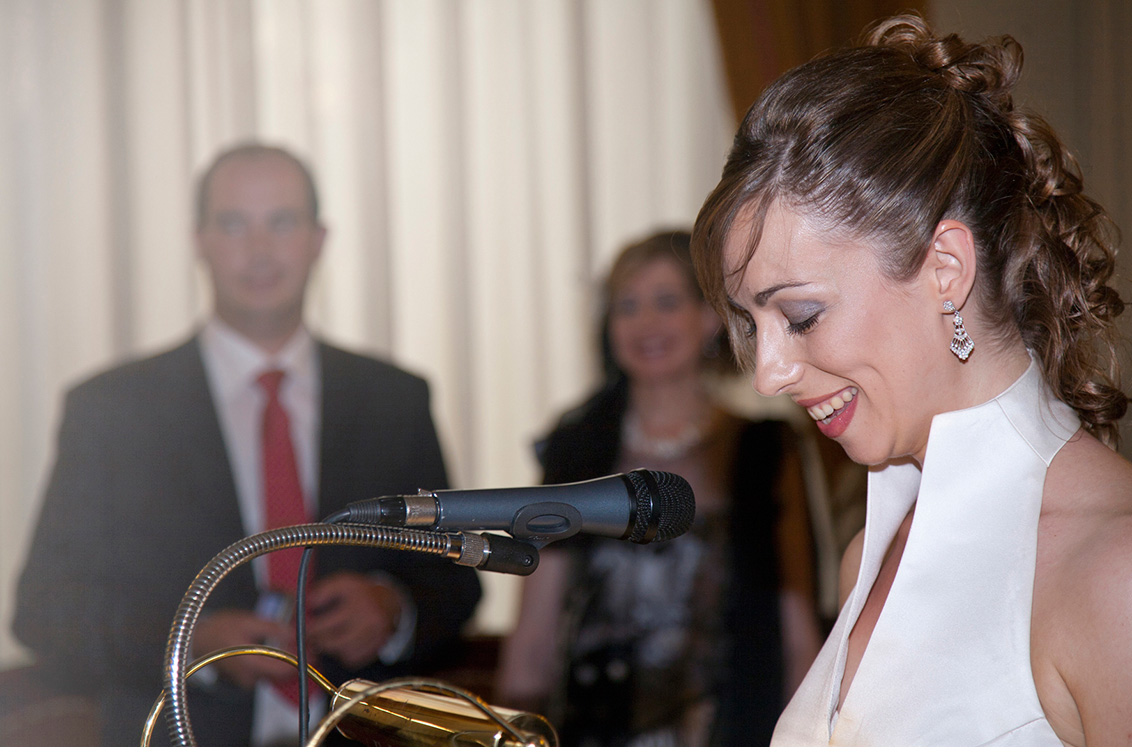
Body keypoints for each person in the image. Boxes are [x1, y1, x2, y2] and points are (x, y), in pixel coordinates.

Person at [691, 13, 1132, 746]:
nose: (769, 374)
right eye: (750, 325)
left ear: (946, 271)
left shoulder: (1112, 573)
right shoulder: (867, 555)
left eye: (800, 315)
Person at [13, 142, 482, 746]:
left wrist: (394, 611)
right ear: (199, 240)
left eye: (281, 222)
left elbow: (457, 581)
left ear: (319, 239)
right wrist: (193, 641)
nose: (259, 250)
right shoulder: (113, 411)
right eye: (234, 224)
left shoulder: (394, 398)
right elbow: (47, 610)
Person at [495, 230, 823, 746]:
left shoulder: (764, 449)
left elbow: (797, 624)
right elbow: (534, 630)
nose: (646, 323)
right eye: (627, 306)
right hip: (590, 732)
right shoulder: (576, 448)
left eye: (666, 302)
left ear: (710, 317)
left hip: (733, 728)